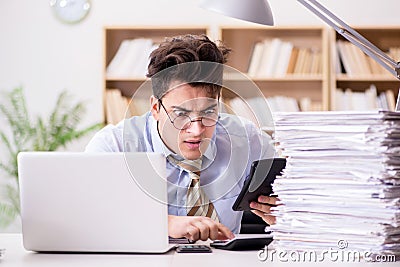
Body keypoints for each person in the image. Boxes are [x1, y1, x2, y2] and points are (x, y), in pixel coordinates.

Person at [85, 34, 277, 241]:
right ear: (156, 108)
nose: (196, 130)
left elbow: (301, 205)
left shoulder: (248, 141)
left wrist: (290, 217)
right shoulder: (114, 146)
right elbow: (84, 215)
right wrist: (164, 223)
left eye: (209, 112)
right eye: (181, 114)